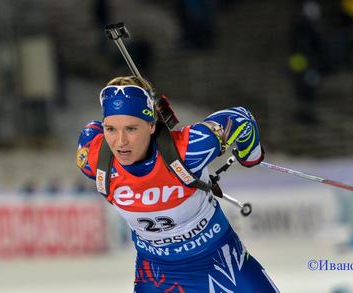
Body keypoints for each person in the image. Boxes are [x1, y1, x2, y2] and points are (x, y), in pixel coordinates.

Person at [76, 76, 279, 292]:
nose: (120, 142)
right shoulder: (94, 159)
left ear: (152, 125)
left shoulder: (190, 149)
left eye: (132, 129)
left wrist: (251, 155)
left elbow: (241, 119)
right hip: (158, 277)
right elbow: (92, 129)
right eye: (111, 129)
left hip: (223, 263)